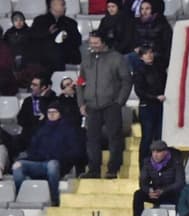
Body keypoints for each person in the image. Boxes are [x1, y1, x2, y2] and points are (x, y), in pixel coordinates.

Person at [77, 30, 132, 179]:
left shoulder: (117, 58)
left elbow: (126, 81)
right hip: (91, 106)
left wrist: (119, 102)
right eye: (91, 42)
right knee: (92, 139)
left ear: (104, 42)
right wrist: (81, 103)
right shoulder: (86, 59)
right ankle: (93, 170)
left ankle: (113, 169)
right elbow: (80, 82)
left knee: (114, 137)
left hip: (111, 105)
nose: (93, 45)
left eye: (96, 42)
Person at [11, 104, 79, 206]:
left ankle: (54, 199)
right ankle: (23, 196)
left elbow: (73, 151)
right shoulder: (41, 129)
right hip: (39, 163)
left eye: (54, 112)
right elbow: (32, 149)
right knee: (18, 166)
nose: (51, 115)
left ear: (60, 114)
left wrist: (57, 159)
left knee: (52, 164)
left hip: (58, 164)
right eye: (49, 112)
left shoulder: (69, 130)